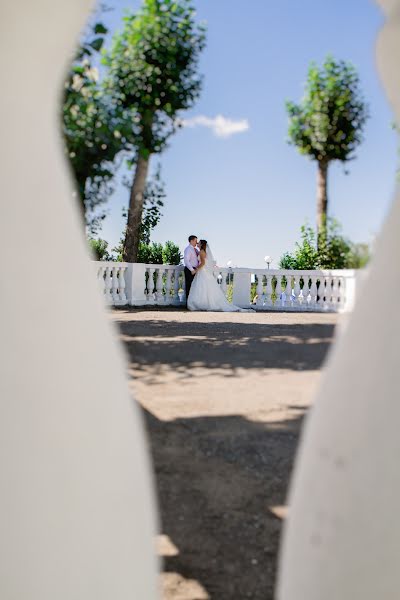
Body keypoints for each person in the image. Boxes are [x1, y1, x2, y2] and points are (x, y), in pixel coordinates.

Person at [187, 240, 253, 312]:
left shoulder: (202, 252)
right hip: (203, 272)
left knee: (202, 287)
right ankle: (204, 303)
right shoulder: (201, 251)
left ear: (202, 244)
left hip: (202, 271)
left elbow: (202, 263)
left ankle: (203, 304)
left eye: (199, 243)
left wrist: (196, 270)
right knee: (204, 288)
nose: (197, 243)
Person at [183, 235, 200, 305]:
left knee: (194, 287)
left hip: (195, 270)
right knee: (189, 286)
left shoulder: (195, 249)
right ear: (191, 241)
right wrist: (191, 270)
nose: (197, 242)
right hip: (190, 270)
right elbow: (186, 260)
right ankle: (188, 303)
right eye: (196, 241)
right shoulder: (188, 249)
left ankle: (192, 302)